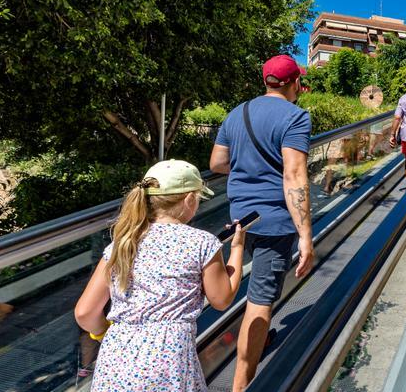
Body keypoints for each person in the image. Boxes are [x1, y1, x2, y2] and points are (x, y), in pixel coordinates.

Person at [75, 159, 245, 392]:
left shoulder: (123, 243)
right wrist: (237, 248)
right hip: (168, 359)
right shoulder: (202, 242)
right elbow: (222, 299)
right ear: (189, 199)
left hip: (116, 356)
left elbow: (84, 312)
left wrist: (102, 332)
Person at [209, 54, 314, 390]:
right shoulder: (296, 117)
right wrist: (306, 236)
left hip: (240, 217)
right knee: (261, 301)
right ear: (294, 82)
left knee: (244, 280)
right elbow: (294, 175)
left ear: (266, 80)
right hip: (274, 223)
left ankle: (255, 342)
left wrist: (248, 167)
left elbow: (217, 162)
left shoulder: (237, 112)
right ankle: (241, 385)